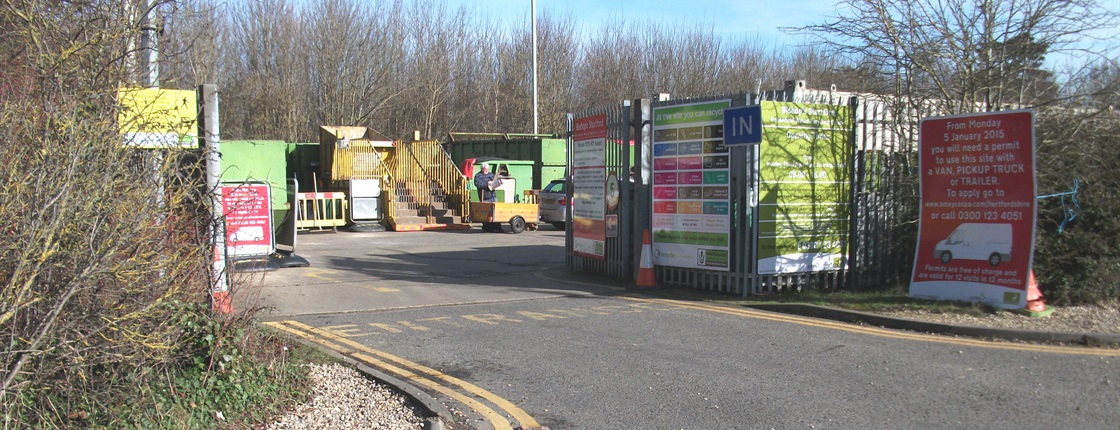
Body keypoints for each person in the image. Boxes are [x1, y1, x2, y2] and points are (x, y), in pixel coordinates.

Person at [473, 162, 502, 232]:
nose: (486, 170)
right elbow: (478, 184)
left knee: (496, 212)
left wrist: (498, 182)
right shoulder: (478, 176)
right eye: (485, 169)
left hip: (493, 196)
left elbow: (495, 180)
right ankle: (487, 227)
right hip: (484, 197)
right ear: (482, 169)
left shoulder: (491, 174)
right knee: (486, 214)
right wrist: (487, 183)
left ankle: (498, 227)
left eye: (487, 169)